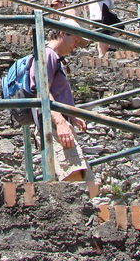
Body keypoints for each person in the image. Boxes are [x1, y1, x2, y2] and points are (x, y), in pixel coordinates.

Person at [29, 18, 92, 181]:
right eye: (75, 40)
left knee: (84, 181)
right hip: (54, 126)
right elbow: (42, 90)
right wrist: (61, 122)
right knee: (75, 179)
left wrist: (72, 115)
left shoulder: (55, 58)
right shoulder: (47, 54)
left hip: (57, 124)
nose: (76, 45)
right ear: (63, 33)